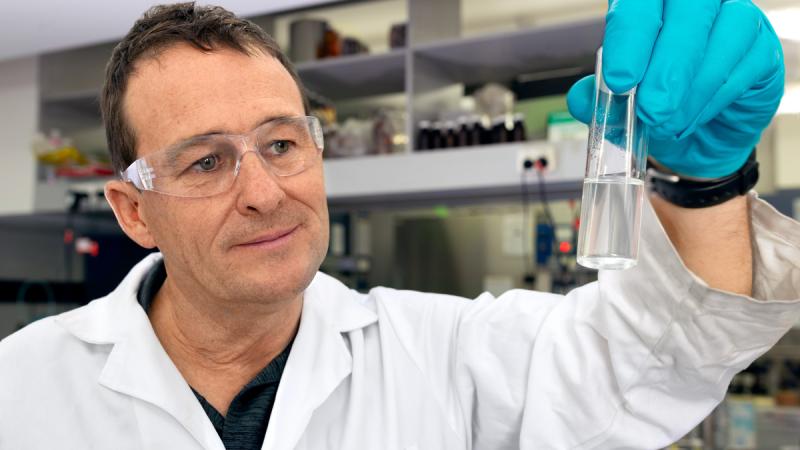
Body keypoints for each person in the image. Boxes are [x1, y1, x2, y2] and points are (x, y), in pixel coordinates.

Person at [1, 1, 799, 449]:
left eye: (282, 144)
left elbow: (653, 357)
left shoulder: (442, 356)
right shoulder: (21, 388)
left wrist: (707, 180)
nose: (265, 193)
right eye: (205, 162)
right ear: (134, 210)